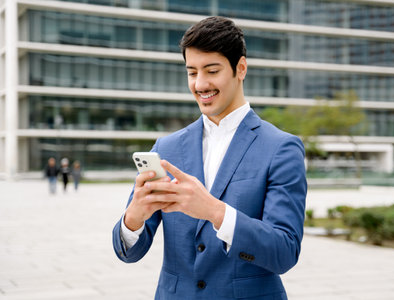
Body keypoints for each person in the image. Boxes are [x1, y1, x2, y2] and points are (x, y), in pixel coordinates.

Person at [112, 16, 307, 299]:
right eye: (192, 72)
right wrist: (133, 218)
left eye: (211, 70)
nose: (200, 84)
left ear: (240, 68)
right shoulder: (165, 148)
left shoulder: (281, 148)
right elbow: (128, 253)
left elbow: (284, 252)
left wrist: (215, 212)